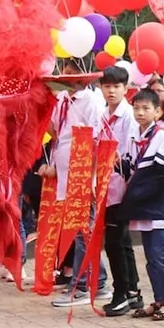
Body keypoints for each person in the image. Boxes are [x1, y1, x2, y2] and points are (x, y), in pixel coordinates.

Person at [46, 75, 110, 305]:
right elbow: (54, 131)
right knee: (81, 231)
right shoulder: (62, 98)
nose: (66, 78)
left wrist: (91, 178)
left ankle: (82, 285)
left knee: (84, 229)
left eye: (71, 73)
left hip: (82, 174)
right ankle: (99, 280)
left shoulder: (91, 101)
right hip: (66, 175)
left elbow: (95, 140)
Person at [120, 88, 164, 320]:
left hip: (159, 207)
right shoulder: (136, 136)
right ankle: (158, 300)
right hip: (144, 207)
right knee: (151, 257)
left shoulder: (163, 137)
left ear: (158, 111)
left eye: (146, 108)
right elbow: (133, 169)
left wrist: (137, 193)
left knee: (159, 255)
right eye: (136, 108)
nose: (140, 112)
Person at [95, 67, 142, 316]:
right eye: (107, 86)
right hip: (106, 185)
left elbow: (131, 152)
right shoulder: (103, 114)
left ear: (126, 88)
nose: (111, 91)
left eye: (116, 86)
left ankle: (121, 293)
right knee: (121, 242)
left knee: (115, 243)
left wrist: (118, 161)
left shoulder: (129, 116)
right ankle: (132, 292)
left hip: (123, 186)